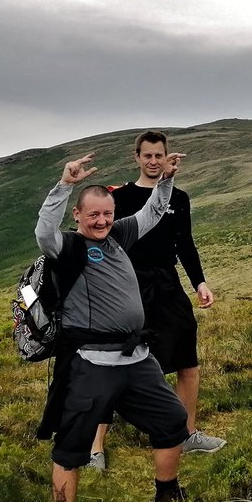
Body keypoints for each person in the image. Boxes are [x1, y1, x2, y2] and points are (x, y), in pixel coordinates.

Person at [35, 151, 191, 502]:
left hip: (137, 358)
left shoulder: (119, 235)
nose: (101, 221)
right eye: (93, 215)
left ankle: (168, 496)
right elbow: (43, 232)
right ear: (78, 217)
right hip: (90, 362)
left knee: (172, 419)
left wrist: (167, 180)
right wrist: (64, 185)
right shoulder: (67, 248)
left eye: (107, 213)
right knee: (72, 446)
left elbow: (154, 213)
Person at [87, 131, 224, 470]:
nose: (152, 161)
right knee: (114, 364)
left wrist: (200, 283)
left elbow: (185, 244)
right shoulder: (119, 196)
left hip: (167, 283)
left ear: (166, 158)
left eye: (158, 155)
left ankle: (186, 433)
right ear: (136, 157)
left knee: (187, 360)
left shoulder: (180, 197)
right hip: (127, 286)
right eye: (146, 155)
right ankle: (94, 448)